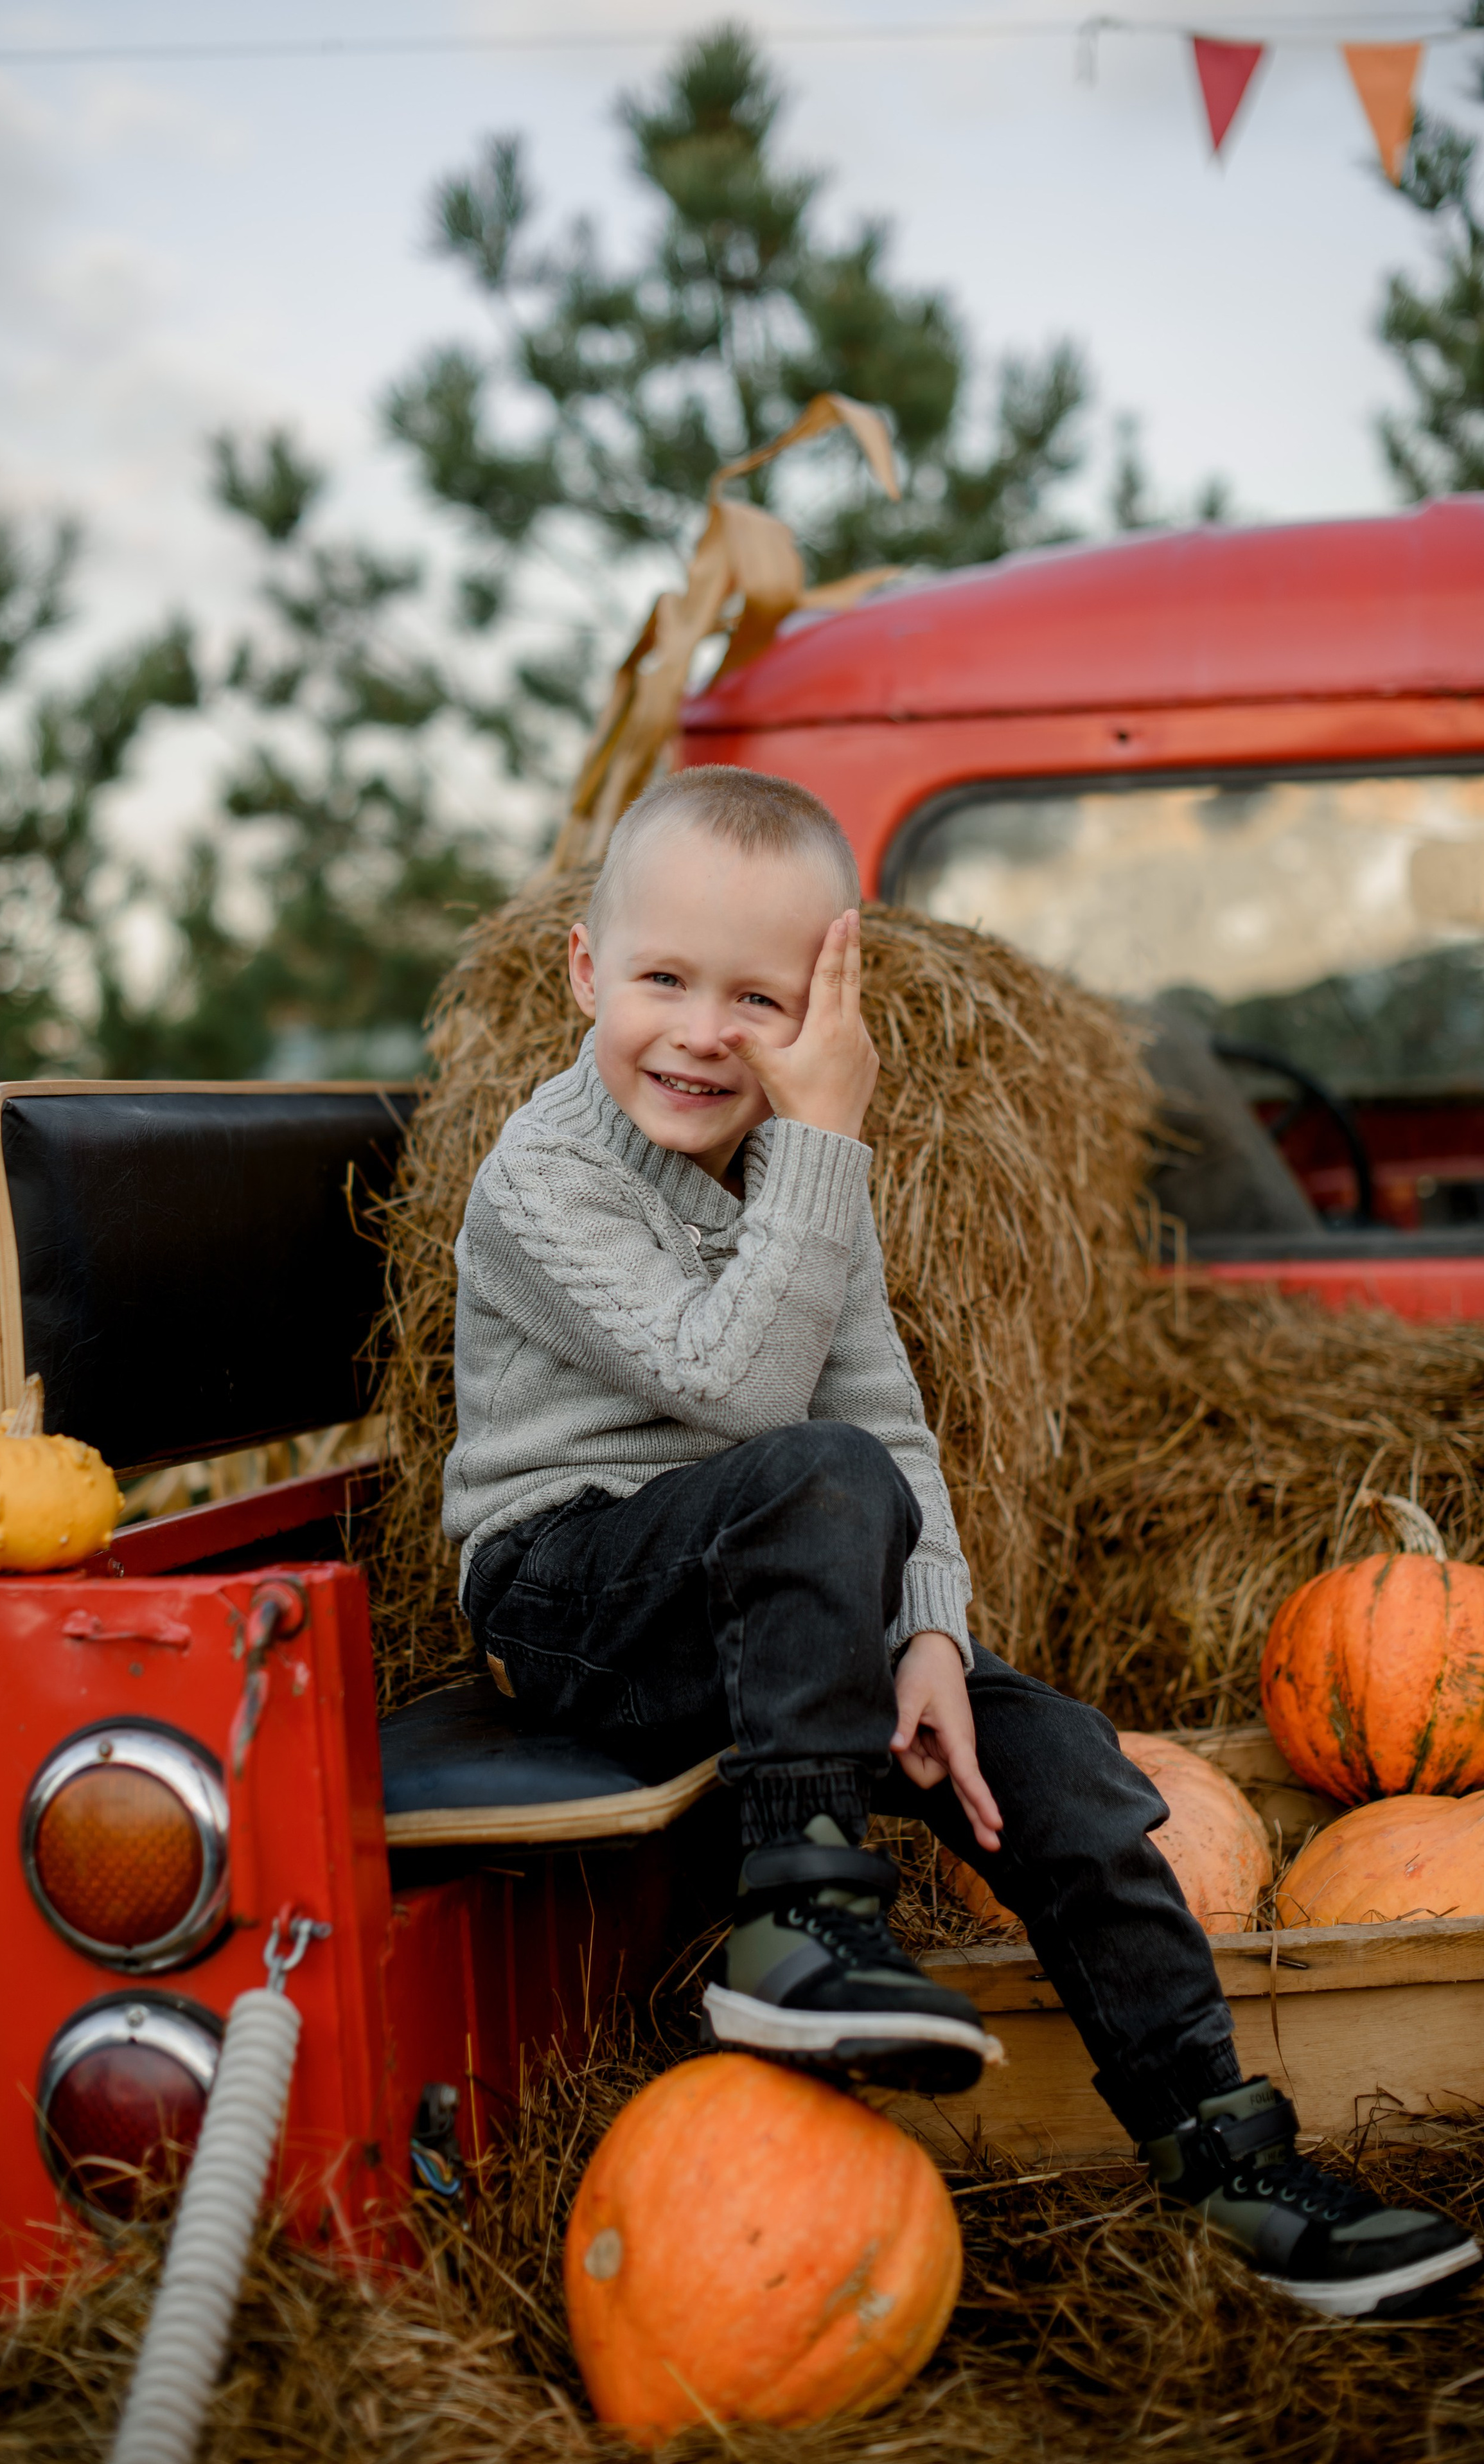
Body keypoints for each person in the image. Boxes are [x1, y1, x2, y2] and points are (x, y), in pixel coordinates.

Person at [443, 764, 1479, 2320]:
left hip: (777, 1601)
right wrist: (831, 1134)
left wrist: (924, 1631)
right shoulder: (547, 1170)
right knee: (813, 1472)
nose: (702, 1031)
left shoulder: (799, 1177)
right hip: (573, 1592)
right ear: (585, 972)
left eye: (759, 998)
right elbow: (736, 1392)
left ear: (822, 1003)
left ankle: (1227, 2161)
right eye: (661, 979)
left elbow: (886, 1416)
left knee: (1055, 1759)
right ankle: (798, 1913)